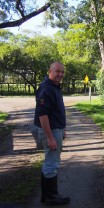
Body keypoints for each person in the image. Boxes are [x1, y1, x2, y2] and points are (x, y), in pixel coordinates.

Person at [34, 62, 70, 206]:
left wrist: (62, 129)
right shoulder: (46, 88)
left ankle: (45, 195)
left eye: (62, 72)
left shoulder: (53, 87)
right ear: (50, 71)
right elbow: (42, 115)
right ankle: (51, 196)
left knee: (49, 161)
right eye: (57, 72)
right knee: (52, 163)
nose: (60, 75)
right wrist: (50, 137)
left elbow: (55, 112)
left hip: (56, 130)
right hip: (51, 131)